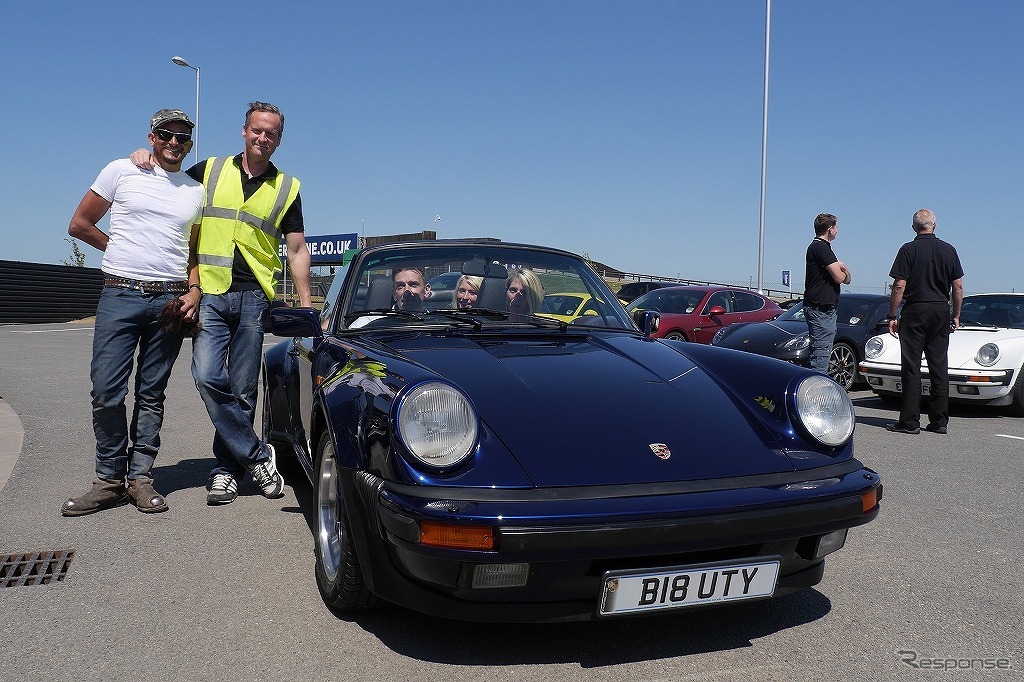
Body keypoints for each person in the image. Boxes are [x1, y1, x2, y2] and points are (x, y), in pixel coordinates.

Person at [132, 102, 311, 504]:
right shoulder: (209, 170)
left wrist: (304, 305)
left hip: (254, 297)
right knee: (207, 376)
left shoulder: (287, 188)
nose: (263, 138)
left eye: (272, 134)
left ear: (279, 139)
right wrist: (144, 158)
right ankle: (256, 454)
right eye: (257, 130)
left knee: (244, 389)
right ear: (244, 131)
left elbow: (296, 248)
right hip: (210, 292)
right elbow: (168, 183)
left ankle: (225, 471)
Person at [62, 109, 204, 516]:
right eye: (166, 134)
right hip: (120, 293)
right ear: (152, 136)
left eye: (183, 137)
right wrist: (119, 252)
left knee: (151, 393)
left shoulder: (195, 190)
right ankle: (108, 481)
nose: (174, 142)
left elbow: (192, 249)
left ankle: (140, 478)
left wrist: (193, 288)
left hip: (171, 300)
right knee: (106, 391)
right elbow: (80, 223)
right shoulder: (121, 170)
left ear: (189, 144)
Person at [885, 209, 964, 435]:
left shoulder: (908, 250)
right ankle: (939, 421)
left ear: (913, 227)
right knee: (939, 365)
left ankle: (910, 421)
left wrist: (892, 315)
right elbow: (957, 286)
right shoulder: (949, 250)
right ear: (935, 226)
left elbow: (899, 285)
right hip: (940, 309)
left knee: (911, 366)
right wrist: (955, 314)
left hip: (916, 309)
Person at [803, 213, 851, 376]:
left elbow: (847, 279)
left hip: (824, 308)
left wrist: (842, 269)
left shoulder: (822, 248)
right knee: (821, 354)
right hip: (821, 308)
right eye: (836, 227)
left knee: (819, 352)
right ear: (830, 229)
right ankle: (816, 394)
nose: (837, 231)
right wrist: (841, 268)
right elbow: (840, 277)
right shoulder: (820, 248)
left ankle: (813, 387)